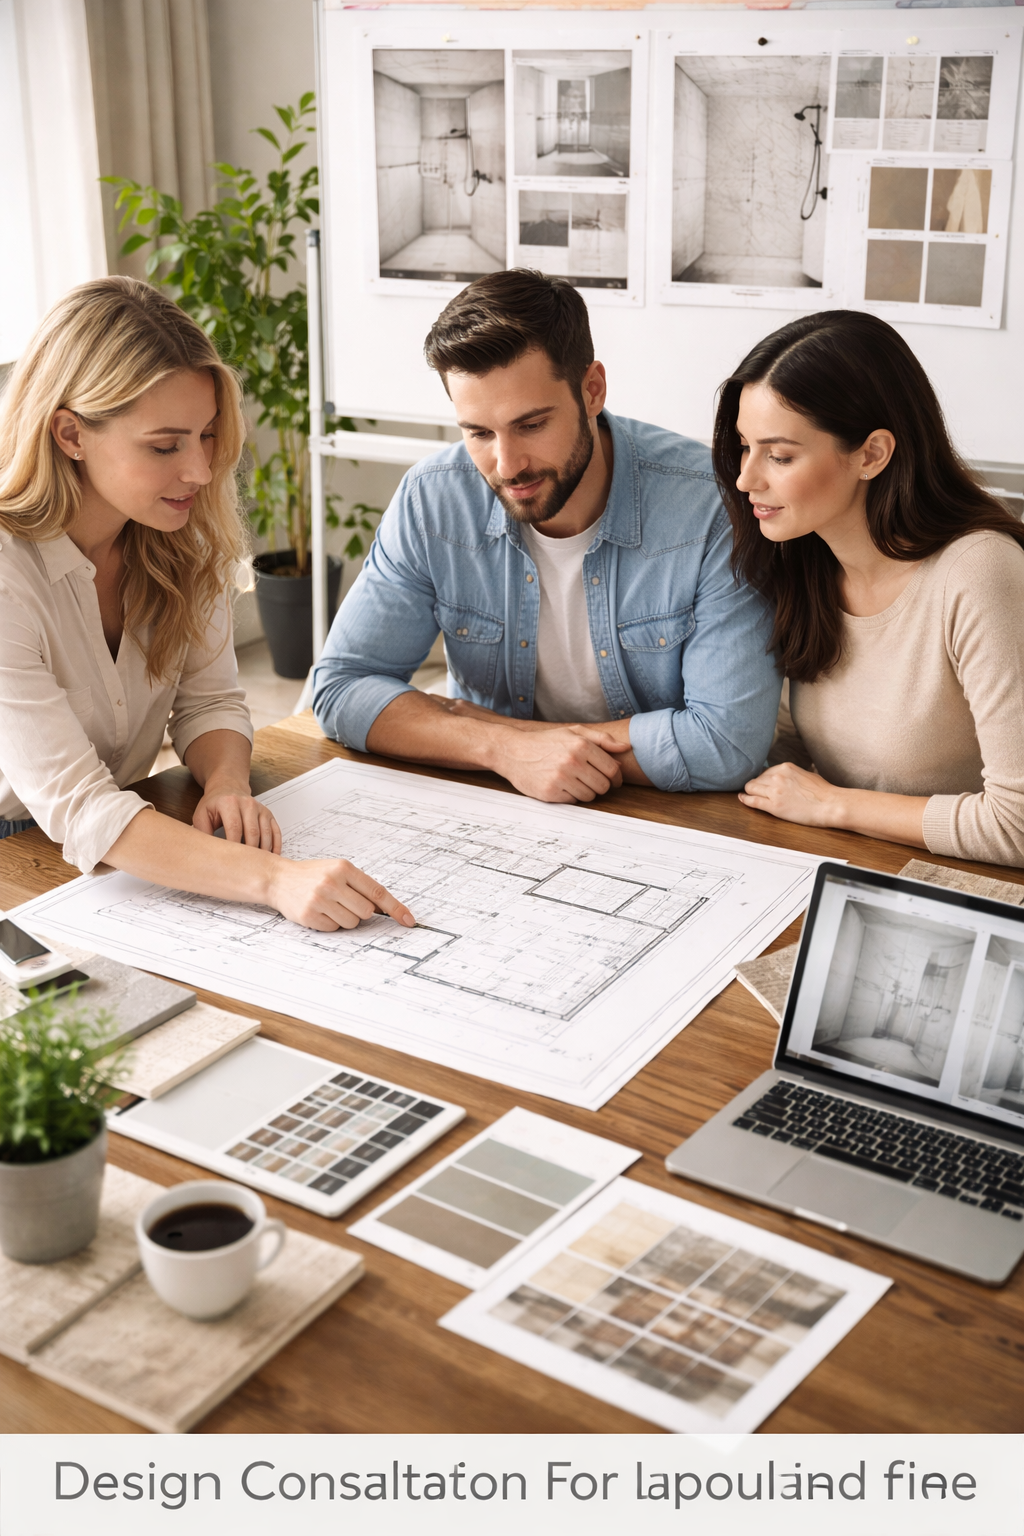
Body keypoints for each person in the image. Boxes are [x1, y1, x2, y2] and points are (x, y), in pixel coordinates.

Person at [0, 277, 413, 933]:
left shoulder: (180, 538)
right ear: (70, 434)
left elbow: (210, 701)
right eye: (165, 446)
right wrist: (276, 880)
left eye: (208, 435)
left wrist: (225, 783)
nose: (198, 470)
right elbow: (81, 807)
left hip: (107, 841)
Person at [313, 270, 780, 802]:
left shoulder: (711, 506)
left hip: (667, 814)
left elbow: (726, 744)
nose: (507, 465)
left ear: (592, 390)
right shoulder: (432, 498)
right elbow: (342, 687)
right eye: (479, 433)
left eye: (531, 424)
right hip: (498, 798)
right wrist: (500, 749)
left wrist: (520, 741)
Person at [713, 308, 1024, 866]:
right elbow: (776, 747)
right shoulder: (803, 560)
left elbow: (1017, 825)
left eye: (779, 455)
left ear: (871, 454)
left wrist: (835, 806)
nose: (745, 478)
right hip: (853, 868)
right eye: (744, 446)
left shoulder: (980, 573)